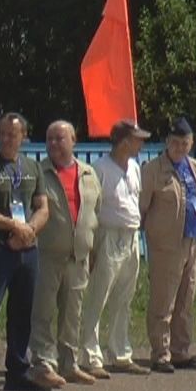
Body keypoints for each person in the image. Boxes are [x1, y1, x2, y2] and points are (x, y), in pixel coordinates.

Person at [0, 112, 50, 391]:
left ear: (23, 137)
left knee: (22, 311)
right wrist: (14, 228)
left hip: (28, 249)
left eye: (12, 134)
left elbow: (42, 207)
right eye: (2, 133)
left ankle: (18, 369)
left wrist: (29, 230)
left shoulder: (33, 166)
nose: (6, 138)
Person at [29, 120, 101, 385]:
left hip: (78, 256)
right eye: (49, 139)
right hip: (48, 254)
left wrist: (92, 248)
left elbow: (96, 214)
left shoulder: (89, 174)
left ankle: (69, 363)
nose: (54, 144)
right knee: (44, 311)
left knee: (73, 312)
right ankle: (43, 363)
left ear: (74, 140)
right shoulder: (38, 172)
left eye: (60, 139)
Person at [79, 120, 151, 377]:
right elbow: (91, 207)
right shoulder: (100, 168)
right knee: (99, 295)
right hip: (108, 235)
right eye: (137, 139)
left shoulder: (134, 167)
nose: (141, 144)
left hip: (131, 236)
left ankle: (121, 353)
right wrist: (92, 245)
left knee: (124, 297)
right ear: (123, 142)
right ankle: (89, 355)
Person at [140, 117, 196, 372]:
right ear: (167, 143)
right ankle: (161, 353)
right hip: (166, 244)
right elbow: (142, 209)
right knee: (163, 300)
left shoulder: (195, 167)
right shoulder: (153, 169)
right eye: (176, 142)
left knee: (186, 300)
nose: (180, 147)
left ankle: (181, 351)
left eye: (185, 143)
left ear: (191, 144)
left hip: (193, 240)